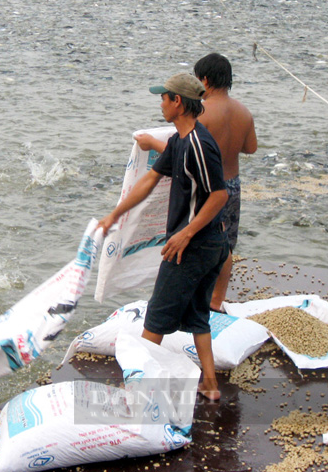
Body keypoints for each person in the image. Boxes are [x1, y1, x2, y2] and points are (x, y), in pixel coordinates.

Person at [98, 73, 228, 401]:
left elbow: (219, 196)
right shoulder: (179, 141)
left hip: (195, 245)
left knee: (155, 317)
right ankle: (210, 385)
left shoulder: (199, 143)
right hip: (207, 244)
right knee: (198, 316)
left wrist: (185, 234)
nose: (161, 103)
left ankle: (135, 391)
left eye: (164, 98)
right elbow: (150, 179)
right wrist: (115, 214)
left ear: (178, 103)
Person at [135, 54, 257, 312]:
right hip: (233, 183)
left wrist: (150, 143)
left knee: (199, 240)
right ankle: (217, 300)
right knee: (226, 243)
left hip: (208, 189)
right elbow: (251, 148)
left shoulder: (204, 113)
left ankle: (197, 298)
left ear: (205, 80)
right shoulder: (244, 112)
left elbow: (182, 148)